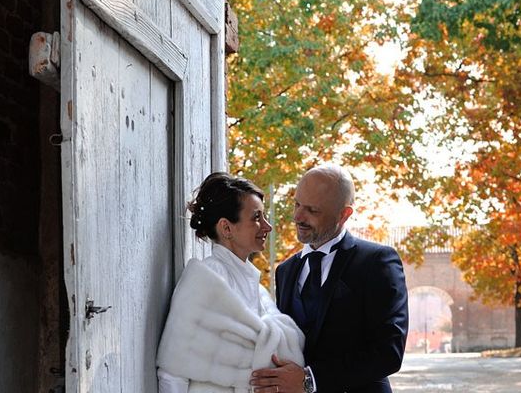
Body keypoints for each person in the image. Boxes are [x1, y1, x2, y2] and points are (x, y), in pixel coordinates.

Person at [250, 164, 408, 393]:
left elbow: (389, 353)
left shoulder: (377, 262)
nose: (297, 217)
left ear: (344, 214)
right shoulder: (285, 270)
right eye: (296, 205)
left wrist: (309, 379)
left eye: (312, 210)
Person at [156, 172, 304, 393]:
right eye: (256, 218)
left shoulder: (258, 289)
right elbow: (172, 373)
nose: (267, 227)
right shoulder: (204, 281)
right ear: (226, 228)